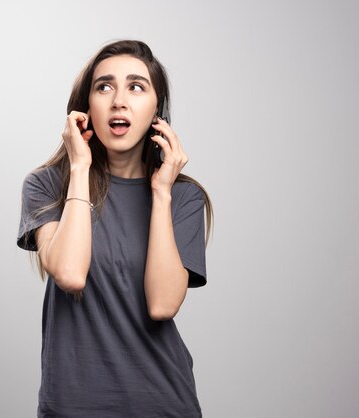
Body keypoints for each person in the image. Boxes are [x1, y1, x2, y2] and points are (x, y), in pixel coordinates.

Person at [17, 40, 214, 418]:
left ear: (157, 109)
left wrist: (160, 192)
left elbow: (163, 304)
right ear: (86, 106)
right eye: (104, 87)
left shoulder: (183, 198)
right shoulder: (45, 186)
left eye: (136, 87)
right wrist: (78, 169)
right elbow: (71, 274)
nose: (118, 101)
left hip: (163, 404)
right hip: (71, 407)